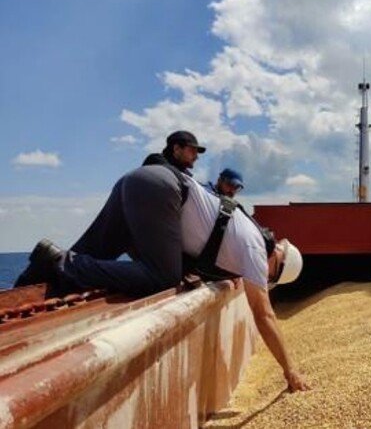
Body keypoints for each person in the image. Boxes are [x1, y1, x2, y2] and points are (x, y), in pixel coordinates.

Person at [14, 164, 310, 392]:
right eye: (270, 276)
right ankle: (58, 260)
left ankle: (36, 275)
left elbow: (217, 244)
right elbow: (264, 315)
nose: (263, 279)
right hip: (162, 192)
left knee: (90, 256)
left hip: (142, 181)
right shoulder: (256, 250)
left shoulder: (246, 232)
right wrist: (290, 371)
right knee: (162, 277)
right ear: (277, 261)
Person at [142, 130, 206, 175]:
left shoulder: (183, 173)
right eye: (192, 151)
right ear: (176, 148)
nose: (196, 157)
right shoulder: (156, 162)